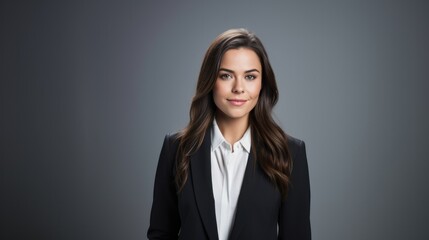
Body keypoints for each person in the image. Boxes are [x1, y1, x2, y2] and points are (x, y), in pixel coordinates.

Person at [147, 28, 311, 240]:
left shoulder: (290, 153)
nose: (239, 88)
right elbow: (161, 233)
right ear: (210, 81)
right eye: (226, 75)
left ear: (263, 83)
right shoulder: (177, 149)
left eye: (250, 76)